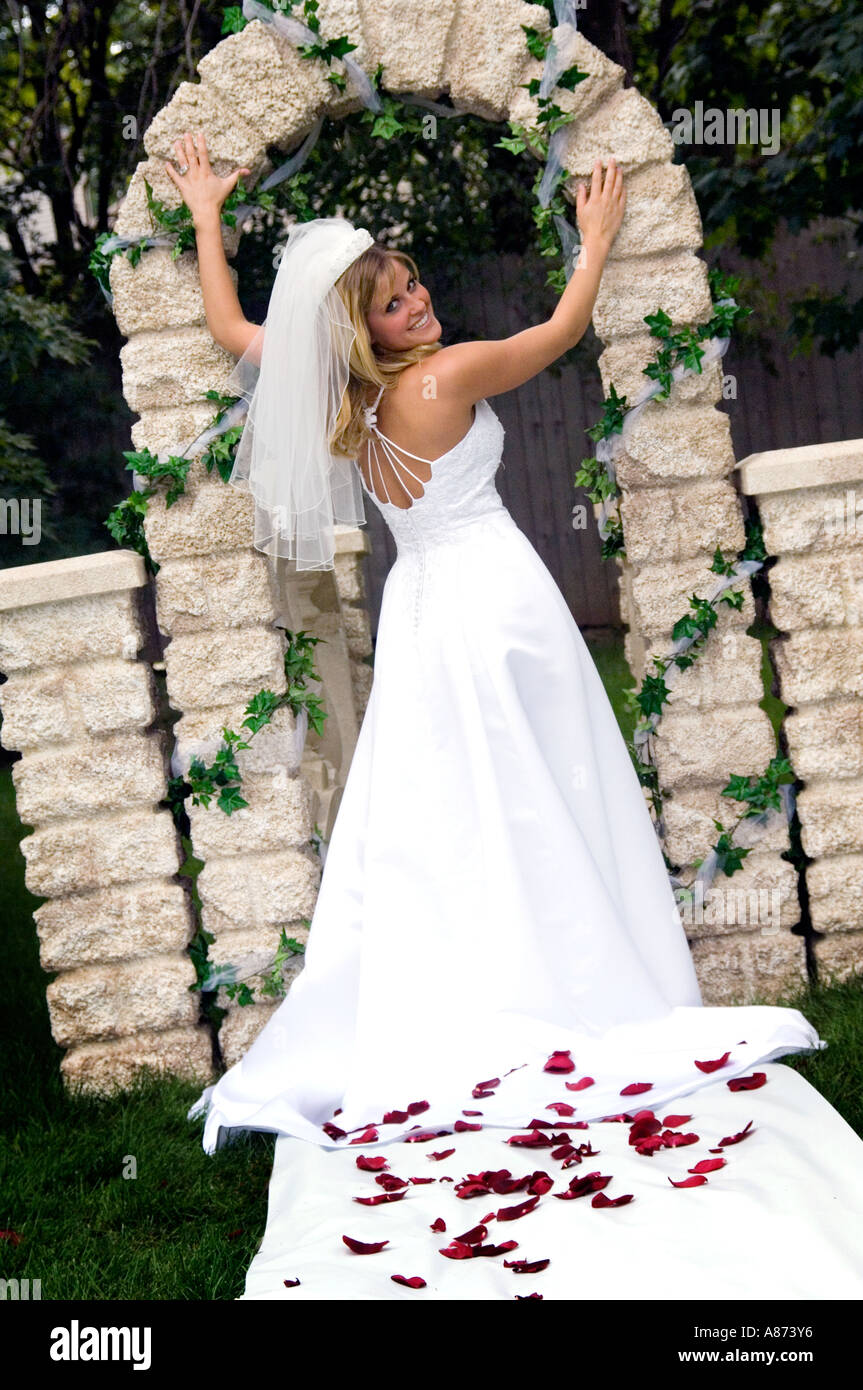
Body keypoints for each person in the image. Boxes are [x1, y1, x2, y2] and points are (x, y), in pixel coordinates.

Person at [163, 132, 863, 1300]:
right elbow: (557, 335)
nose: (419, 302)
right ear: (368, 331)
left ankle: (491, 962)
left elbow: (236, 332)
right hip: (498, 602)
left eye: (415, 284)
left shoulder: (337, 391)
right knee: (545, 785)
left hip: (424, 614)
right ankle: (570, 966)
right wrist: (590, 243)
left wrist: (202, 215)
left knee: (449, 803)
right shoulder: (446, 379)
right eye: (394, 302)